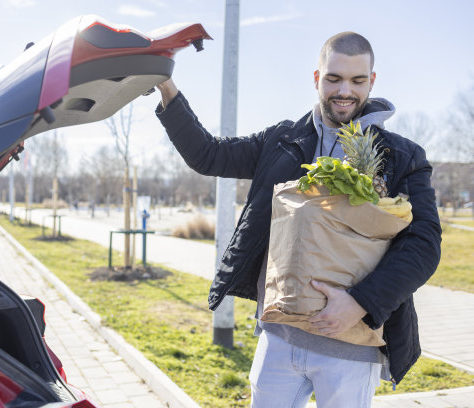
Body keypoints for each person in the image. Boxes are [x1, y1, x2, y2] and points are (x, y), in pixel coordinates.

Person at [154, 32, 441, 408]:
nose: (345, 91)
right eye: (334, 78)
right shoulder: (283, 141)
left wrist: (360, 303)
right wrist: (164, 82)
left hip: (349, 347)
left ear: (371, 82)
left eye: (357, 81)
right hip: (278, 338)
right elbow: (208, 155)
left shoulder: (402, 156)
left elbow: (424, 245)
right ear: (317, 78)